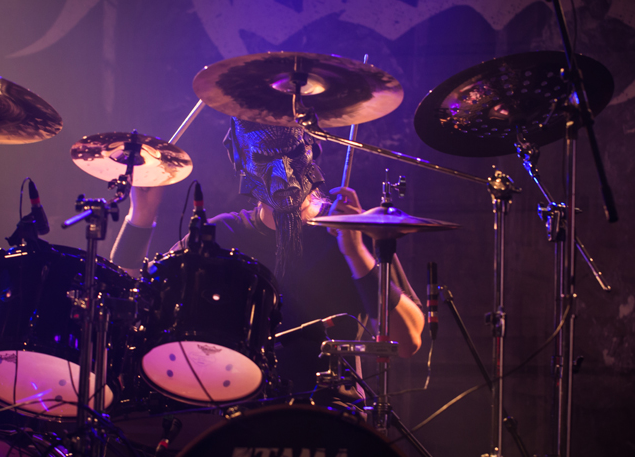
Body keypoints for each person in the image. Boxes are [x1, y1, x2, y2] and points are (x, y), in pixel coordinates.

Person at [110, 118, 423, 402]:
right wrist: (142, 214)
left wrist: (356, 253)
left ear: (313, 153)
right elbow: (132, 299)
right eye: (264, 157)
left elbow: (408, 342)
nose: (282, 172)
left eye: (293, 154)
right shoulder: (224, 233)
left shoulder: (350, 230)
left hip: (330, 419)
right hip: (235, 412)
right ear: (241, 162)